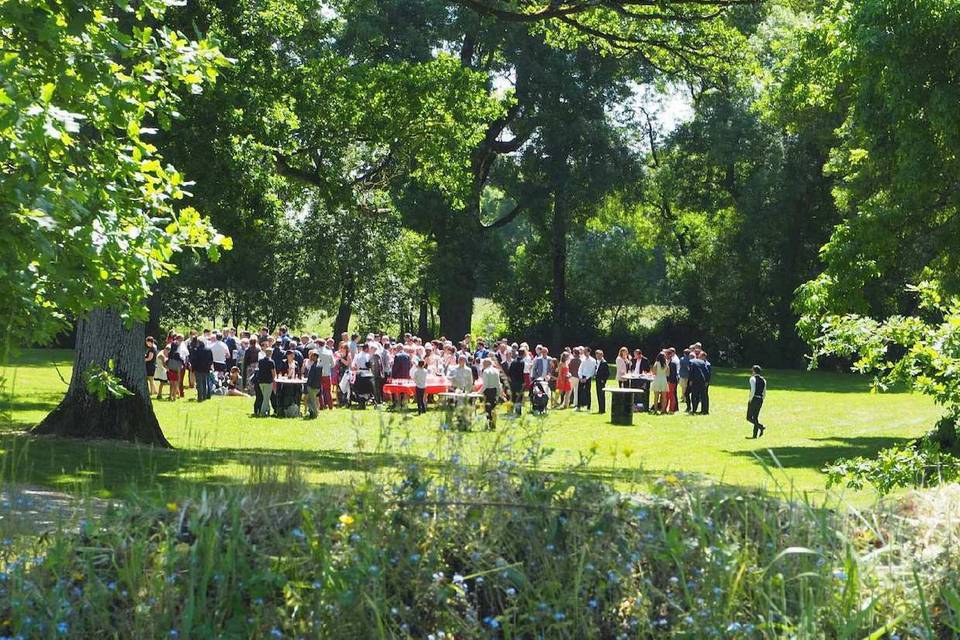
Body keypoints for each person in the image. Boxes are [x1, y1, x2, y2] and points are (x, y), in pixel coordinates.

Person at [480, 358, 504, 430]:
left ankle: (489, 422)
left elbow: (485, 384)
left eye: (483, 364)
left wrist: (479, 392)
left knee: (488, 408)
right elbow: (498, 383)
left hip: (488, 391)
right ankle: (494, 423)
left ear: (486, 364)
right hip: (494, 391)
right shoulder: (496, 371)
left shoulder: (485, 371)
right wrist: (500, 393)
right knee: (493, 407)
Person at [255, 348, 276, 417]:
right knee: (266, 398)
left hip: (260, 381)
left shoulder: (260, 361)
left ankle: (268, 410)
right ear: (271, 353)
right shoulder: (271, 362)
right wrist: (274, 380)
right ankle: (263, 412)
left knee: (265, 397)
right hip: (268, 381)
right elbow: (273, 373)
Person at [747, 365, 767, 438]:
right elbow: (764, 392)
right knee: (755, 417)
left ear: (754, 371)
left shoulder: (752, 379)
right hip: (760, 399)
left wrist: (750, 399)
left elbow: (753, 390)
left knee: (749, 417)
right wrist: (762, 399)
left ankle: (761, 427)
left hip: (754, 399)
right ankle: (754, 435)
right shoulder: (763, 380)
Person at [507, 349, 526, 415]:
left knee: (513, 396)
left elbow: (509, 372)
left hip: (512, 382)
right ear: (523, 354)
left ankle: (511, 410)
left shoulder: (513, 361)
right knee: (519, 397)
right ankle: (518, 411)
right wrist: (523, 382)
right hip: (519, 382)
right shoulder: (522, 362)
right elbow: (521, 373)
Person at [305, 351, 322, 418]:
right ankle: (311, 412)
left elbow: (311, 377)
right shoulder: (320, 365)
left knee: (312, 401)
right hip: (317, 386)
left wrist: (308, 385)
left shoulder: (314, 366)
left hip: (312, 386)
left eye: (312, 356)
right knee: (309, 400)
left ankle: (315, 414)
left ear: (315, 357)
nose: (310, 357)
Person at [595, 349, 609, 414]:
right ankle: (600, 408)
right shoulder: (597, 362)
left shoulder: (604, 362)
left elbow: (607, 373)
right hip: (597, 380)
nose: (597, 356)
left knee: (601, 395)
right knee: (598, 394)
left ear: (602, 355)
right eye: (597, 355)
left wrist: (603, 380)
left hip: (601, 381)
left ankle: (602, 409)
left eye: (599, 355)